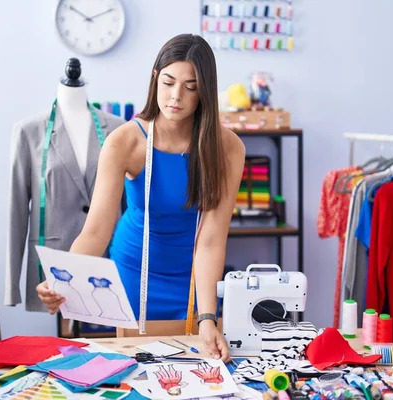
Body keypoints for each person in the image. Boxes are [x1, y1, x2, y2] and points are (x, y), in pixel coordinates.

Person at [36, 33, 245, 362]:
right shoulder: (124, 142)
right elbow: (97, 230)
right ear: (154, 78)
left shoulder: (228, 148)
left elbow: (211, 240)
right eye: (168, 82)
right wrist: (63, 278)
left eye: (190, 87)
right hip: (135, 274)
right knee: (138, 375)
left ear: (205, 91)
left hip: (193, 278)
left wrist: (208, 317)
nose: (176, 96)